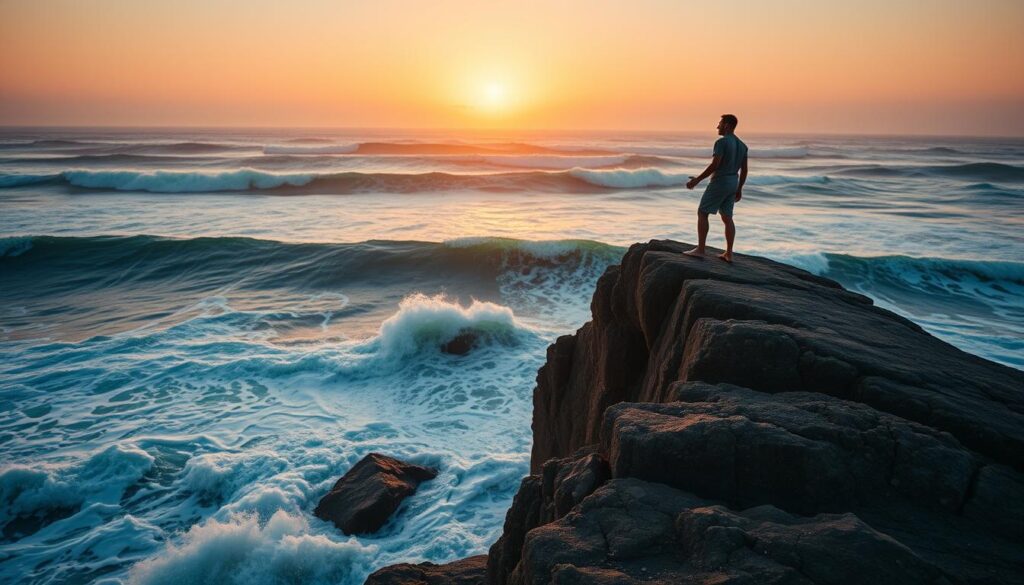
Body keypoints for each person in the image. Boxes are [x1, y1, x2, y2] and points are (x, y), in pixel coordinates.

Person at [683, 114, 748, 263]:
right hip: (733, 183)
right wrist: (739, 188)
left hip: (720, 182)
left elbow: (715, 165)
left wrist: (697, 180)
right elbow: (744, 170)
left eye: (719, 123)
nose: (717, 126)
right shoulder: (743, 145)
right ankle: (729, 253)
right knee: (727, 217)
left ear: (727, 125)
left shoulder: (722, 142)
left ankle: (700, 250)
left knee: (702, 212)